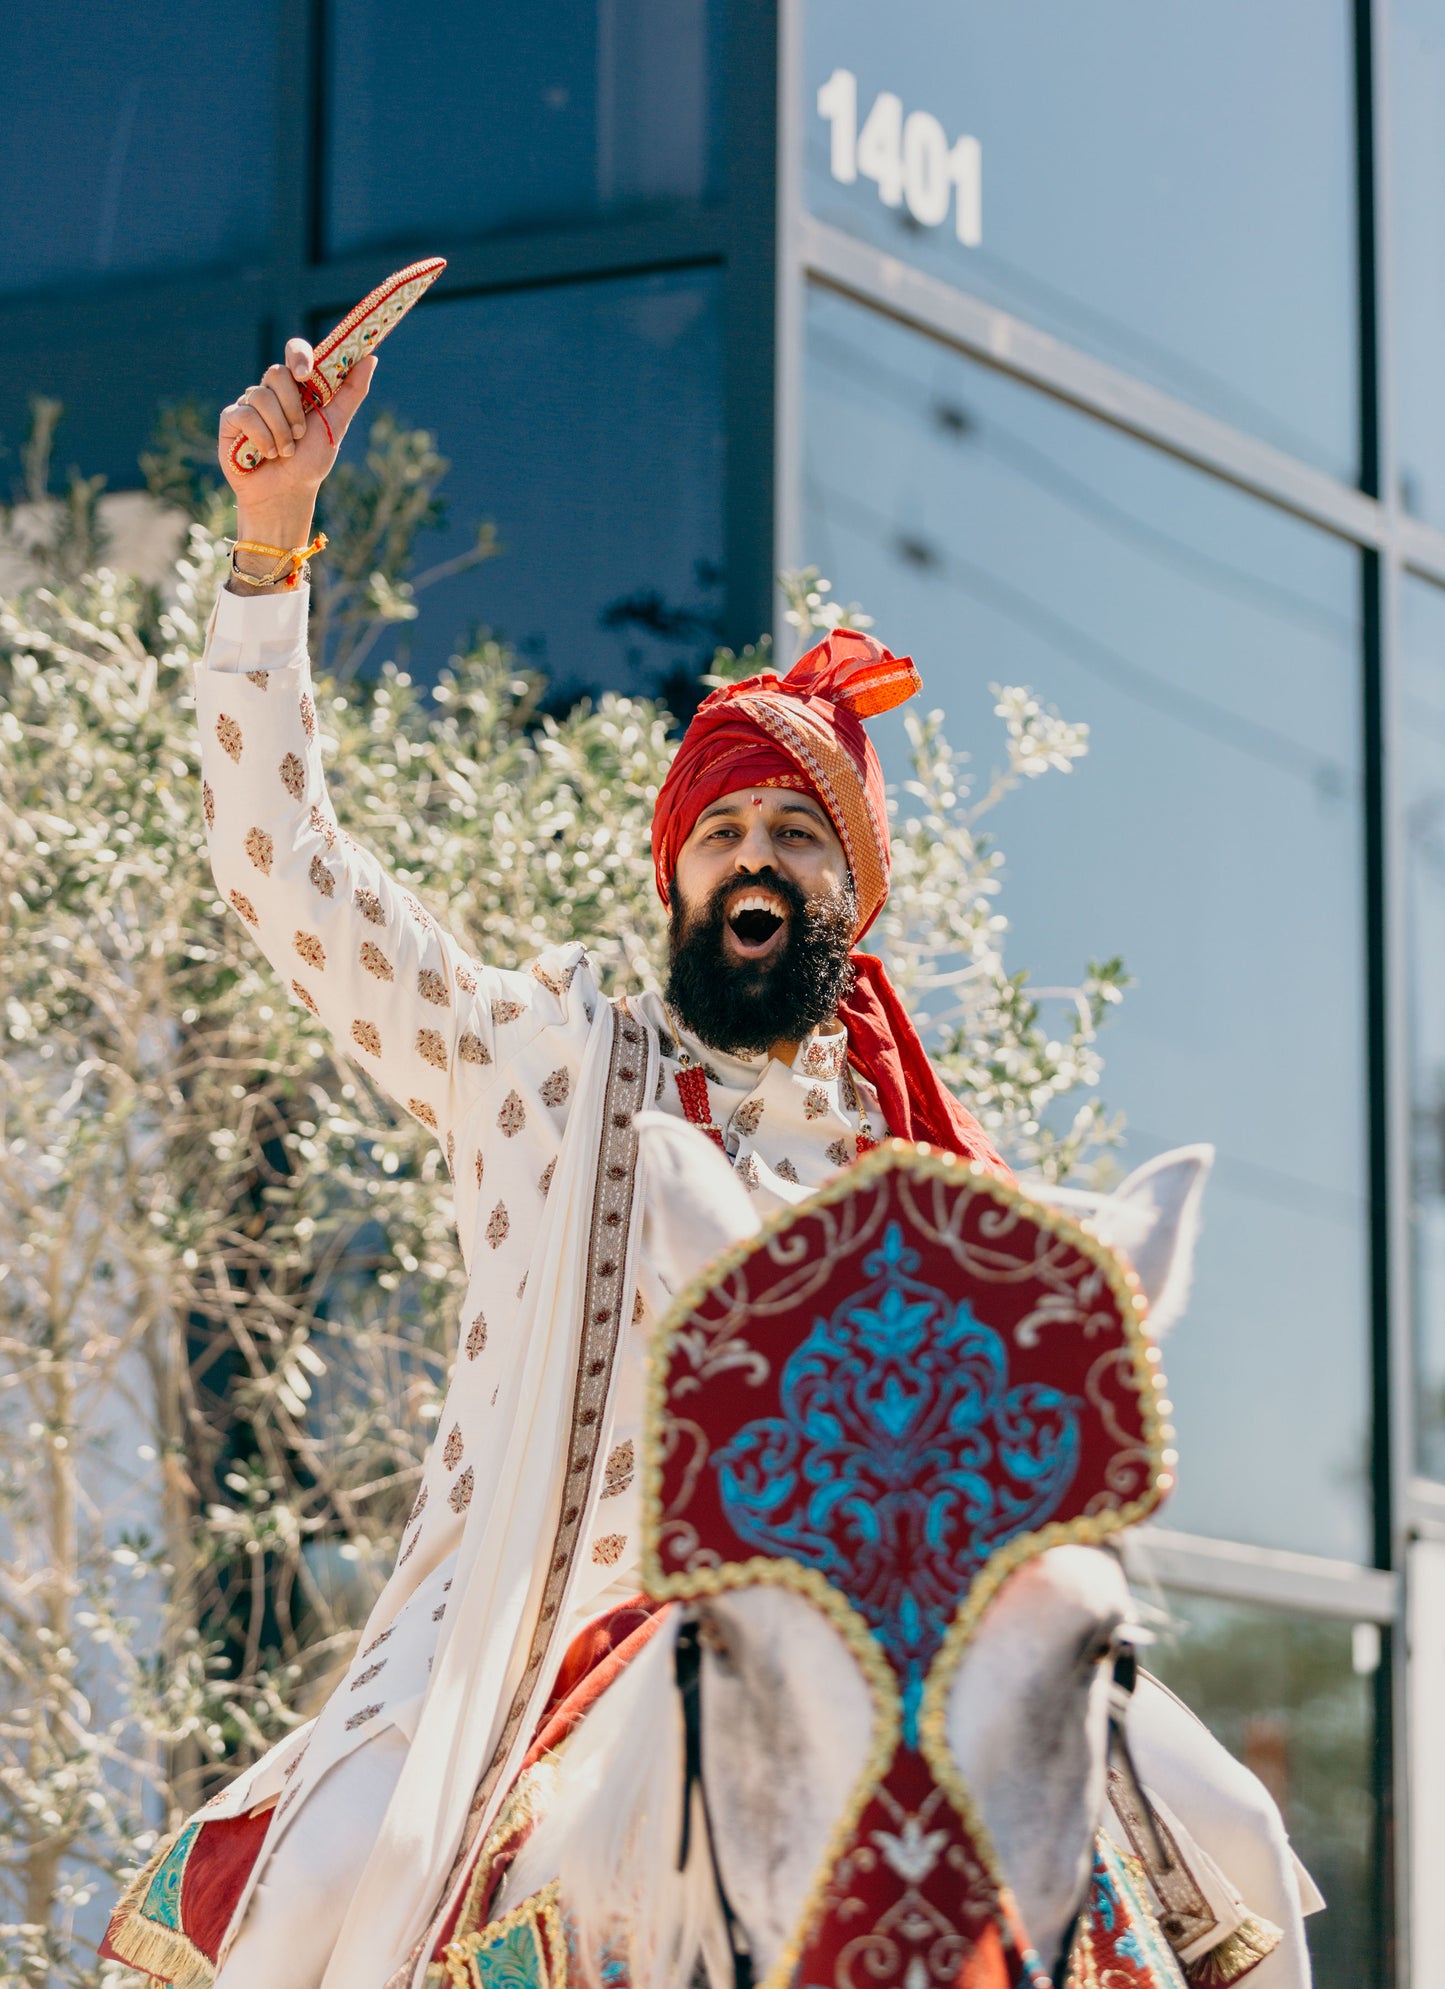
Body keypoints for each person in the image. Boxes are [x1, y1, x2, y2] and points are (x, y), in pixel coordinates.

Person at [102, 341, 1315, 1989]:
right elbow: (287, 869)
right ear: (675, 877)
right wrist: (271, 536)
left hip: (888, 1640)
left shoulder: (913, 1161)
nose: (756, 857)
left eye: (797, 835)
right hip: (534, 1632)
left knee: (1232, 1825)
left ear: (849, 892)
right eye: (724, 833)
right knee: (322, 1882)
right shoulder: (541, 1051)